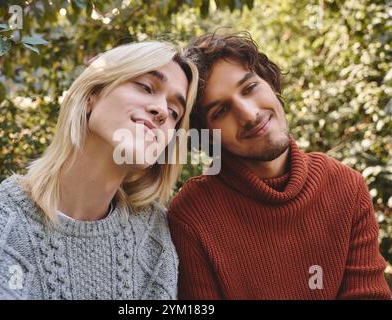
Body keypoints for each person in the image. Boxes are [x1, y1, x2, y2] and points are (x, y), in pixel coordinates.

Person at [0, 41, 198, 299]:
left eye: (175, 112)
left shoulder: (157, 239)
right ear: (91, 96)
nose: (162, 111)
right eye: (146, 87)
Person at [167, 32, 391, 299]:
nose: (250, 115)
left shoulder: (346, 186)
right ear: (206, 133)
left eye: (250, 88)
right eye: (221, 111)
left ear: (270, 83)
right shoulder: (192, 215)